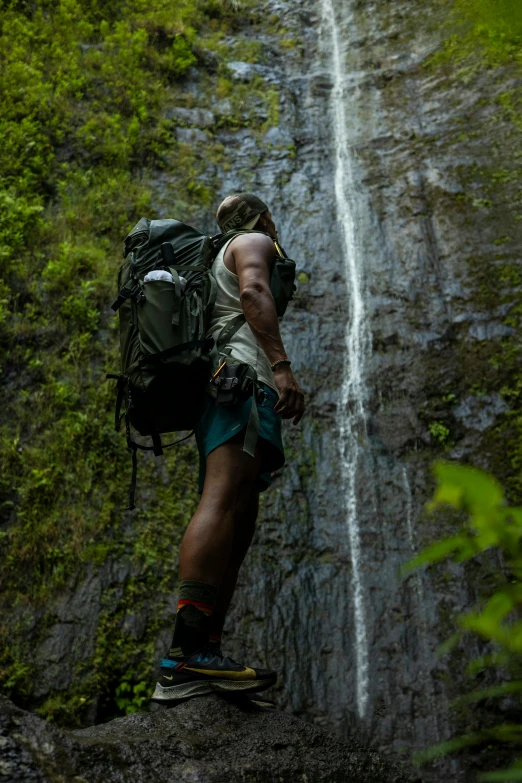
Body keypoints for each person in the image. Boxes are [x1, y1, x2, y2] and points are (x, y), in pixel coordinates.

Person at [152, 193, 305, 704]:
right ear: (261, 216)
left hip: (231, 387)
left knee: (240, 517)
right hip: (241, 383)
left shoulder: (220, 250)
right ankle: (184, 655)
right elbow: (255, 291)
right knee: (221, 500)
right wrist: (281, 366)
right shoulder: (255, 241)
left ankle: (207, 652)